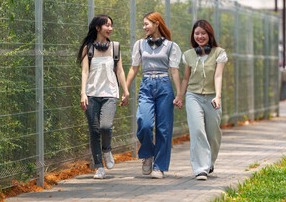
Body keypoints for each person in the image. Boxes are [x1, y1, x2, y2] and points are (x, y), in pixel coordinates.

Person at [126, 11, 182, 179]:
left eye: (146, 24)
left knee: (164, 129)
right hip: (146, 85)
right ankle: (147, 155)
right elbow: (134, 68)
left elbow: (174, 71)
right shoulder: (139, 45)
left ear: (157, 23)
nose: (144, 27)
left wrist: (179, 94)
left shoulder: (172, 46)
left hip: (164, 86)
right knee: (144, 123)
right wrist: (126, 89)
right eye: (143, 24)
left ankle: (159, 166)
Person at [78, 14, 129, 179]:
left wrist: (126, 91)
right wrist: (83, 93)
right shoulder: (88, 48)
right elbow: (85, 71)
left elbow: (120, 70)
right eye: (107, 25)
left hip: (110, 94)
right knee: (94, 131)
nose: (110, 28)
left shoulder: (115, 47)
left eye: (111, 25)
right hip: (92, 94)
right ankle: (99, 167)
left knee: (106, 126)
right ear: (97, 28)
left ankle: (107, 149)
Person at [180, 19, 227, 180]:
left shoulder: (219, 53)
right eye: (197, 33)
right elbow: (186, 79)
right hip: (193, 96)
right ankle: (201, 168)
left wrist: (218, 96)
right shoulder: (188, 55)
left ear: (209, 35)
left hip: (212, 96)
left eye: (203, 33)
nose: (200, 36)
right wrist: (180, 96)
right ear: (193, 35)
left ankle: (210, 161)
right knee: (197, 130)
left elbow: (218, 75)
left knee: (213, 133)